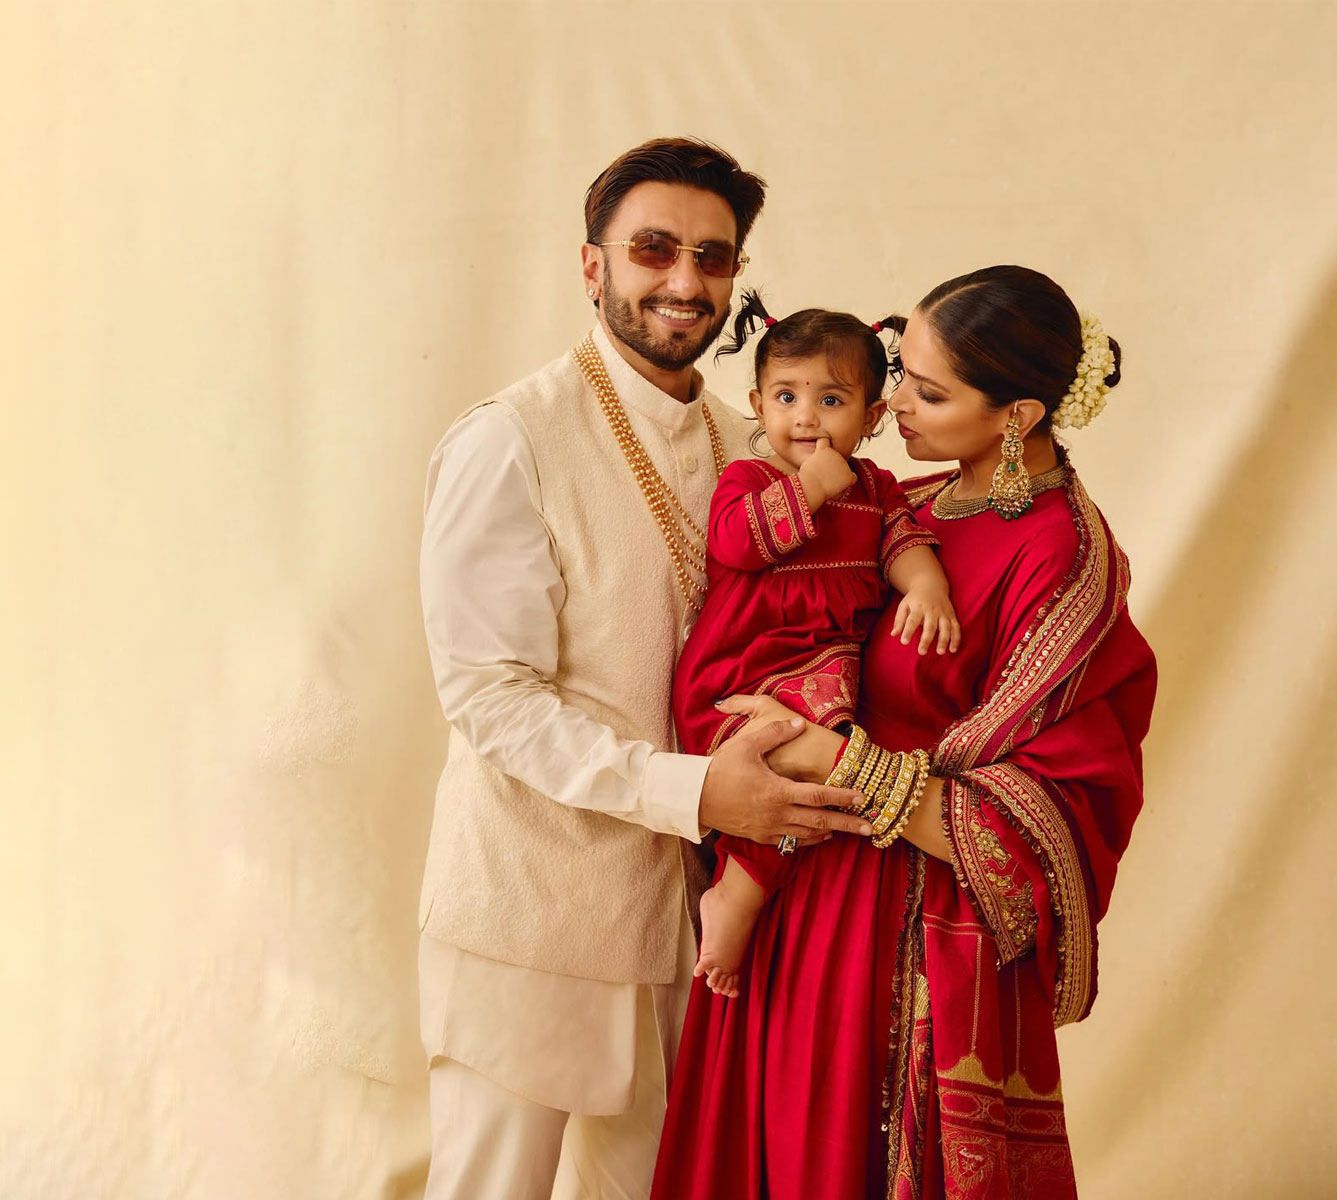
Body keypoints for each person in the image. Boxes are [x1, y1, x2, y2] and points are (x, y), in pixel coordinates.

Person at [415, 137, 868, 1200]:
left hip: (691, 923)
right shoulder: (510, 440)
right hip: (529, 911)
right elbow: (490, 695)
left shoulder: (743, 441)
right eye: (653, 250)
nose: (683, 280)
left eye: (713, 259)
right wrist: (698, 789)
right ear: (593, 267)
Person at [652, 265, 1158, 1199]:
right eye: (900, 377)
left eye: (926, 393)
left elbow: (1043, 820)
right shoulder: (907, 505)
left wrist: (831, 758)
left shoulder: (1065, 559)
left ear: (1018, 416)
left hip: (903, 933)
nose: (895, 410)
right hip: (798, 883)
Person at [672, 292, 959, 998]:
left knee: (817, 781)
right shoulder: (749, 478)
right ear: (757, 403)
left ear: (870, 417)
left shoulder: (877, 488)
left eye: (831, 399)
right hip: (745, 663)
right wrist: (807, 490)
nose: (806, 415)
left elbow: (905, 542)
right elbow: (735, 544)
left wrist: (927, 589)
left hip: (820, 666)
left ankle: (741, 890)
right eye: (787, 395)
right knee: (793, 765)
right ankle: (734, 898)